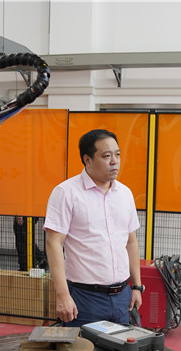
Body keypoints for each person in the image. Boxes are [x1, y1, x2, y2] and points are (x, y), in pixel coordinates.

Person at [44, 129, 143, 327]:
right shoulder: (67, 193)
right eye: (106, 156)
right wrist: (63, 295)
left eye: (117, 154)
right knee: (83, 347)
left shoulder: (125, 194)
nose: (114, 161)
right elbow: (54, 243)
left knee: (120, 347)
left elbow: (130, 241)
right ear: (87, 160)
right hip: (85, 298)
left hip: (123, 296)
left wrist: (137, 287)